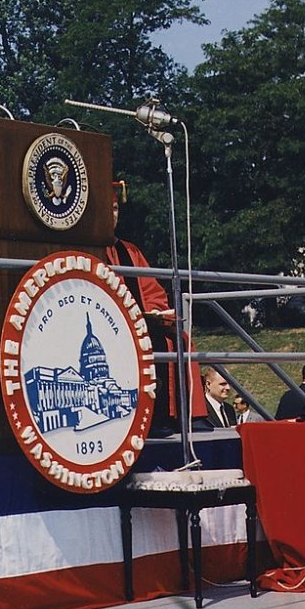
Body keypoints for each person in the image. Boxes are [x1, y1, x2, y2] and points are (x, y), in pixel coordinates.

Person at [103, 186, 205, 434]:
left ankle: (188, 416)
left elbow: (153, 292)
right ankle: (153, 419)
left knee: (178, 340)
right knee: (150, 340)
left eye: (116, 209)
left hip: (140, 320)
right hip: (112, 323)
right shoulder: (92, 251)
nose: (113, 215)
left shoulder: (130, 251)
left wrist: (155, 312)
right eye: (108, 210)